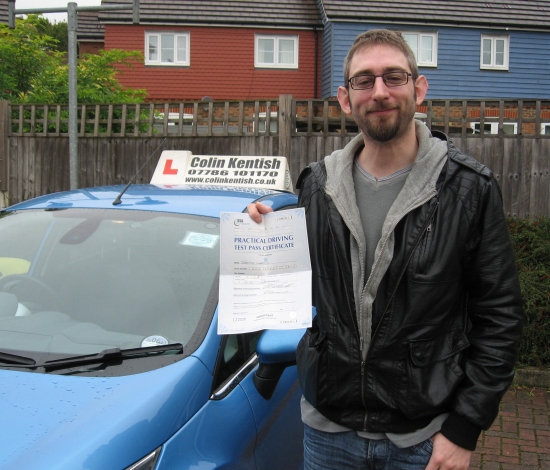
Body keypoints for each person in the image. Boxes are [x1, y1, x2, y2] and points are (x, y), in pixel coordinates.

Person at [248, 29, 524, 470]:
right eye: (364, 80)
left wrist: (465, 427)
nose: (379, 92)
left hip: (423, 439)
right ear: (344, 98)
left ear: (419, 88)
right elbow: (294, 292)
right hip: (327, 434)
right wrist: (258, 233)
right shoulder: (316, 187)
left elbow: (501, 318)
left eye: (393, 77)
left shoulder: (468, 189)